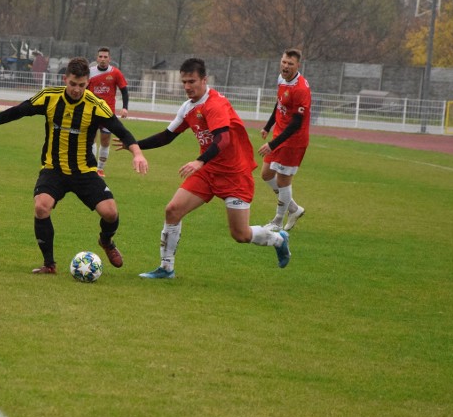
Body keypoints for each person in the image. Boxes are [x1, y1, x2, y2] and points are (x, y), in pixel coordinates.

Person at [0, 57, 148, 274]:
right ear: (65, 79)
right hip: (54, 168)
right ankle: (49, 264)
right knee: (41, 206)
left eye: (81, 85)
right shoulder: (49, 97)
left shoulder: (96, 106)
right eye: (72, 84)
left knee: (110, 213)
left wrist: (137, 154)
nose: (77, 90)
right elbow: (16, 111)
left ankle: (106, 241)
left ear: (88, 82)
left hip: (84, 171)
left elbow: (122, 131)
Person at [122, 58, 290, 279]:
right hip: (208, 171)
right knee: (173, 210)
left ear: (204, 80)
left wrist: (199, 161)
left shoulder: (214, 104)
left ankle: (278, 239)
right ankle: (166, 268)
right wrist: (134, 144)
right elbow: (167, 136)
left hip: (234, 175)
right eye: (184, 82)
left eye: (192, 81)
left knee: (240, 234)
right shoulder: (188, 107)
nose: (187, 87)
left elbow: (223, 140)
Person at [259, 48, 311, 232]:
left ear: (298, 65)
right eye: (284, 62)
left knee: (283, 180)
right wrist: (268, 126)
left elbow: (296, 124)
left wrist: (272, 144)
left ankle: (278, 221)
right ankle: (294, 209)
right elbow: (279, 103)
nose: (286, 66)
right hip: (279, 135)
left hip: (293, 140)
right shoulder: (281, 79)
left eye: (290, 63)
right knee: (266, 174)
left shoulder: (301, 89)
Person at [87, 47, 129, 177]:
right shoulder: (90, 72)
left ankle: (100, 168)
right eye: (100, 56)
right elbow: (84, 89)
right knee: (91, 139)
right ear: (97, 58)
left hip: (107, 112)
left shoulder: (115, 73)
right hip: (92, 111)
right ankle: (92, 167)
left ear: (109, 59)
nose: (103, 59)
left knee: (105, 140)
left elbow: (124, 90)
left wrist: (125, 107)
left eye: (105, 57)